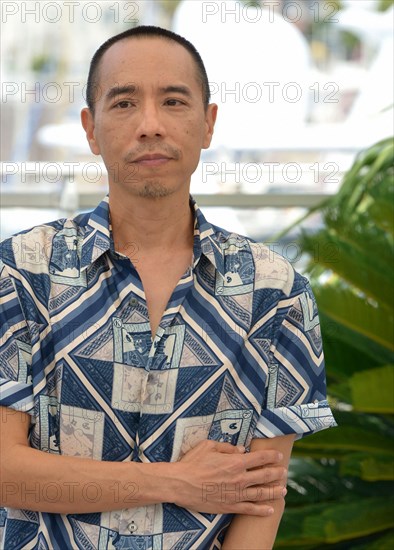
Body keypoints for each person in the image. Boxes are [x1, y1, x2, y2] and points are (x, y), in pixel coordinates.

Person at [0, 26, 337, 550]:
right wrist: (178, 481)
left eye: (174, 101)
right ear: (91, 129)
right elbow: (5, 471)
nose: (150, 125)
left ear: (208, 123)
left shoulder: (277, 292)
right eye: (125, 102)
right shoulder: (19, 273)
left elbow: (260, 496)